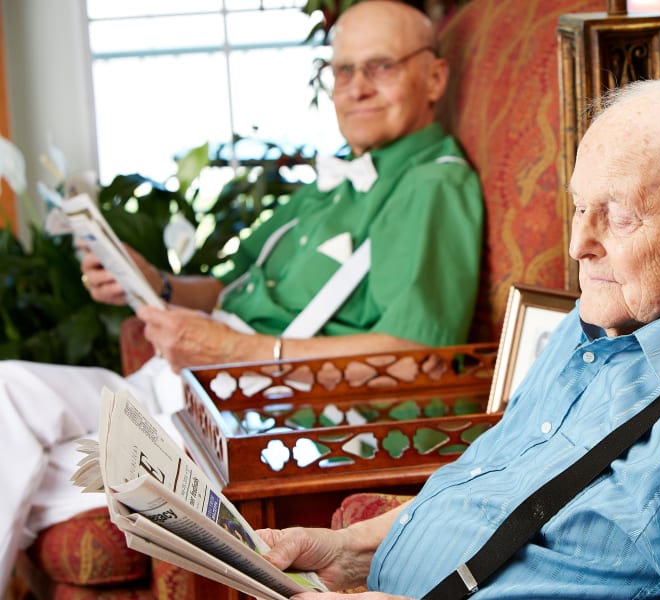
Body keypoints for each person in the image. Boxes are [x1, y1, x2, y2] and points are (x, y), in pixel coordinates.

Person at [257, 77, 660, 599]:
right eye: (580, 206)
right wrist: (348, 551)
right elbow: (503, 495)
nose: (579, 243)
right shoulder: (605, 313)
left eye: (619, 217)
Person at [0, 0, 484, 591]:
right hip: (182, 387)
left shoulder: (432, 185)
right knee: (9, 402)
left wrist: (230, 347)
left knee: (21, 447)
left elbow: (416, 356)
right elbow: (231, 288)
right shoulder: (328, 187)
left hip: (263, 416)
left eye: (379, 67)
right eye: (341, 71)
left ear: (434, 77)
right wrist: (158, 283)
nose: (356, 88)